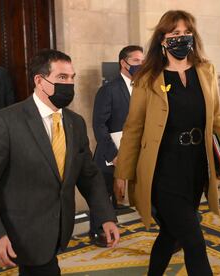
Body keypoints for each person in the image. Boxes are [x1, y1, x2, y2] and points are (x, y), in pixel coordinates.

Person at [0, 49, 120, 276]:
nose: (70, 84)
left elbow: (89, 176)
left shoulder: (75, 123)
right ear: (39, 80)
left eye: (72, 78)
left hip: (59, 229)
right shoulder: (6, 122)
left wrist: (105, 216)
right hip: (23, 232)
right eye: (62, 78)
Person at [114, 10, 220, 276]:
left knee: (171, 233)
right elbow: (133, 128)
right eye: (175, 34)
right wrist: (123, 173)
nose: (182, 38)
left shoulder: (206, 70)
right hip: (163, 168)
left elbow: (216, 117)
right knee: (193, 240)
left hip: (195, 166)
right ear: (162, 39)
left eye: (186, 33)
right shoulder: (147, 78)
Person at [90, 45, 144, 246]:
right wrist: (113, 154)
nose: (141, 65)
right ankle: (98, 232)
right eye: (137, 61)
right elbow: (99, 125)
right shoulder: (108, 90)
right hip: (109, 151)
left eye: (143, 61)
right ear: (124, 63)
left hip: (135, 149)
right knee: (103, 193)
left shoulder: (144, 87)